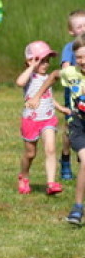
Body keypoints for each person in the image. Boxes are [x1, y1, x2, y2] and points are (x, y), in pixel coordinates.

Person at [16, 41, 67, 196]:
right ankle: (23, 176)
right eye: (41, 60)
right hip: (31, 120)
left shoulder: (48, 77)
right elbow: (19, 82)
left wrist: (60, 108)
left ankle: (51, 183)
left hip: (48, 119)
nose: (45, 64)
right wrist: (32, 66)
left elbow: (48, 97)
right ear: (30, 60)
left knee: (50, 149)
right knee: (30, 154)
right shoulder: (30, 76)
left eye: (47, 61)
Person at [60, 36, 85, 225]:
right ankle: (77, 208)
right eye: (79, 57)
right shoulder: (70, 72)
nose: (82, 61)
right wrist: (37, 95)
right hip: (78, 125)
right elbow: (52, 76)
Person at [59, 11, 85, 181]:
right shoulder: (69, 48)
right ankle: (66, 159)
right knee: (70, 130)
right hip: (73, 95)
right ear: (71, 31)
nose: (84, 29)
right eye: (79, 26)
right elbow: (65, 68)